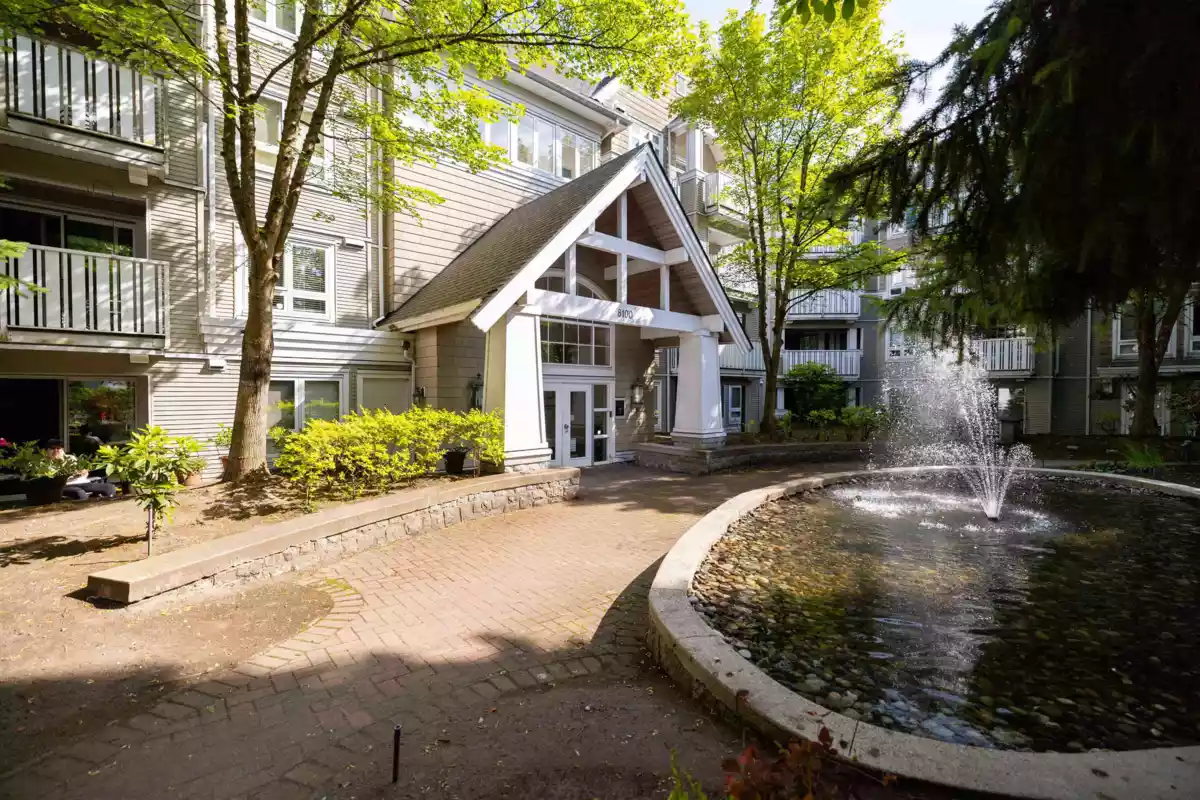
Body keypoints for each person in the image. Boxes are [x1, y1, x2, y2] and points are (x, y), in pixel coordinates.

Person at [44, 439, 117, 500]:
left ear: (62, 450)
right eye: (52, 449)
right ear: (46, 451)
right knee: (79, 493)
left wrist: (84, 472)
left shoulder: (70, 458)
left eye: (58, 448)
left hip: (81, 482)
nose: (56, 451)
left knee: (109, 487)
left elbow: (83, 470)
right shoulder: (44, 463)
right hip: (65, 486)